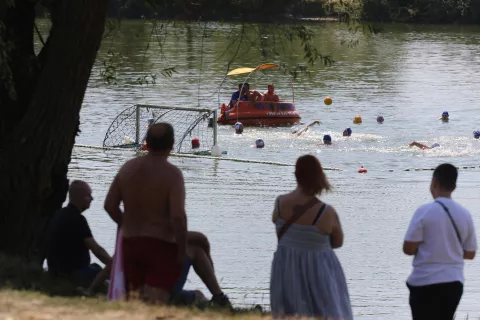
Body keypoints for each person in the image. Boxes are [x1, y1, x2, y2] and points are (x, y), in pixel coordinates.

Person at [104, 123, 188, 304]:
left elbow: (110, 205)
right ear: (172, 144)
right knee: (155, 302)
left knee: (134, 300)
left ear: (146, 143)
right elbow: (177, 216)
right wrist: (182, 249)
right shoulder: (173, 175)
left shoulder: (127, 168)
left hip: (130, 243)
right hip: (161, 245)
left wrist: (124, 223)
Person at [270, 155, 352, 319]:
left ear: (295, 175)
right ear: (319, 177)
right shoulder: (326, 212)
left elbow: (277, 225)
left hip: (285, 269)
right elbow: (338, 242)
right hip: (319, 270)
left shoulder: (280, 204)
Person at [403, 163, 477, 320]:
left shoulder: (424, 211)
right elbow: (470, 253)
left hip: (424, 282)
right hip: (453, 282)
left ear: (434, 182)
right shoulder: (465, 214)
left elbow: (408, 249)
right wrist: (450, 252)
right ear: (454, 186)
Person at [46, 180, 111, 288]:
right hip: (72, 274)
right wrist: (114, 265)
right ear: (79, 197)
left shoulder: (59, 214)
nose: (92, 199)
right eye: (88, 195)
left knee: (96, 267)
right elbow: (97, 251)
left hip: (55, 270)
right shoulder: (78, 220)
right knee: (107, 275)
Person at [170, 231, 231, 307]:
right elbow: (202, 239)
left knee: (198, 295)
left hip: (153, 289)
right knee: (196, 250)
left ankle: (216, 300)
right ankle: (219, 298)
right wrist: (208, 261)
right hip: (162, 293)